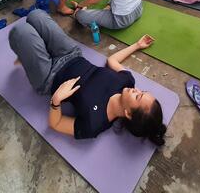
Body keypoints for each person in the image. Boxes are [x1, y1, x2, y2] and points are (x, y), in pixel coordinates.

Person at [9, 10, 166, 145]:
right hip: (71, 54)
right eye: (142, 91)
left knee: (21, 31)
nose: (136, 90)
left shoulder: (94, 123)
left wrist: (56, 101)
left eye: (138, 96)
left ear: (128, 114)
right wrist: (137, 45)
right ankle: (33, 52)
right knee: (36, 15)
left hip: (49, 78)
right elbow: (112, 60)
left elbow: (56, 124)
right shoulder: (127, 82)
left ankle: (29, 54)